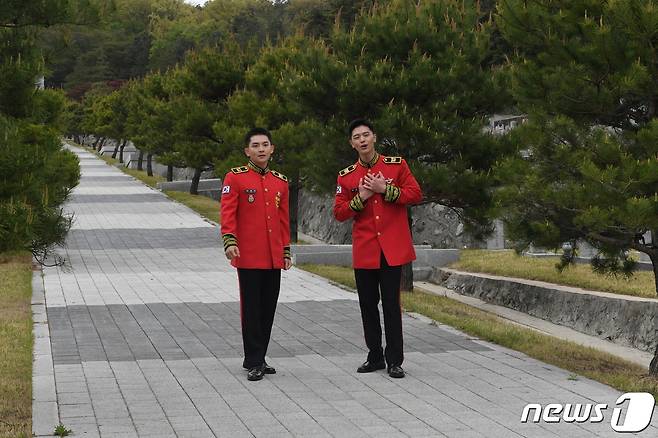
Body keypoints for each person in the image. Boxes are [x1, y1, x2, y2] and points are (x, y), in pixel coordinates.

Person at [333, 119, 422, 378]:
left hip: (392, 248)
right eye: (356, 137)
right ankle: (374, 356)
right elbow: (339, 212)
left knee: (391, 306)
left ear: (374, 137)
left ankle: (395, 359)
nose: (362, 140)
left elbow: (415, 194)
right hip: (366, 249)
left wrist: (386, 189)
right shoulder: (347, 175)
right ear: (351, 143)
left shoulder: (397, 165)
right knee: (367, 305)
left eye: (366, 135)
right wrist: (361, 197)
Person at [220, 127, 292, 381]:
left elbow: (283, 220)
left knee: (268, 307)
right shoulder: (235, 178)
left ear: (272, 149)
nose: (261, 149)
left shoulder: (280, 181)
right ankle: (254, 359)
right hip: (249, 254)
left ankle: (259, 356)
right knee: (251, 309)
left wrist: (285, 250)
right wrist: (229, 241)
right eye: (255, 145)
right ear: (247, 151)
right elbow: (228, 213)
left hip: (273, 256)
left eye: (265, 144)